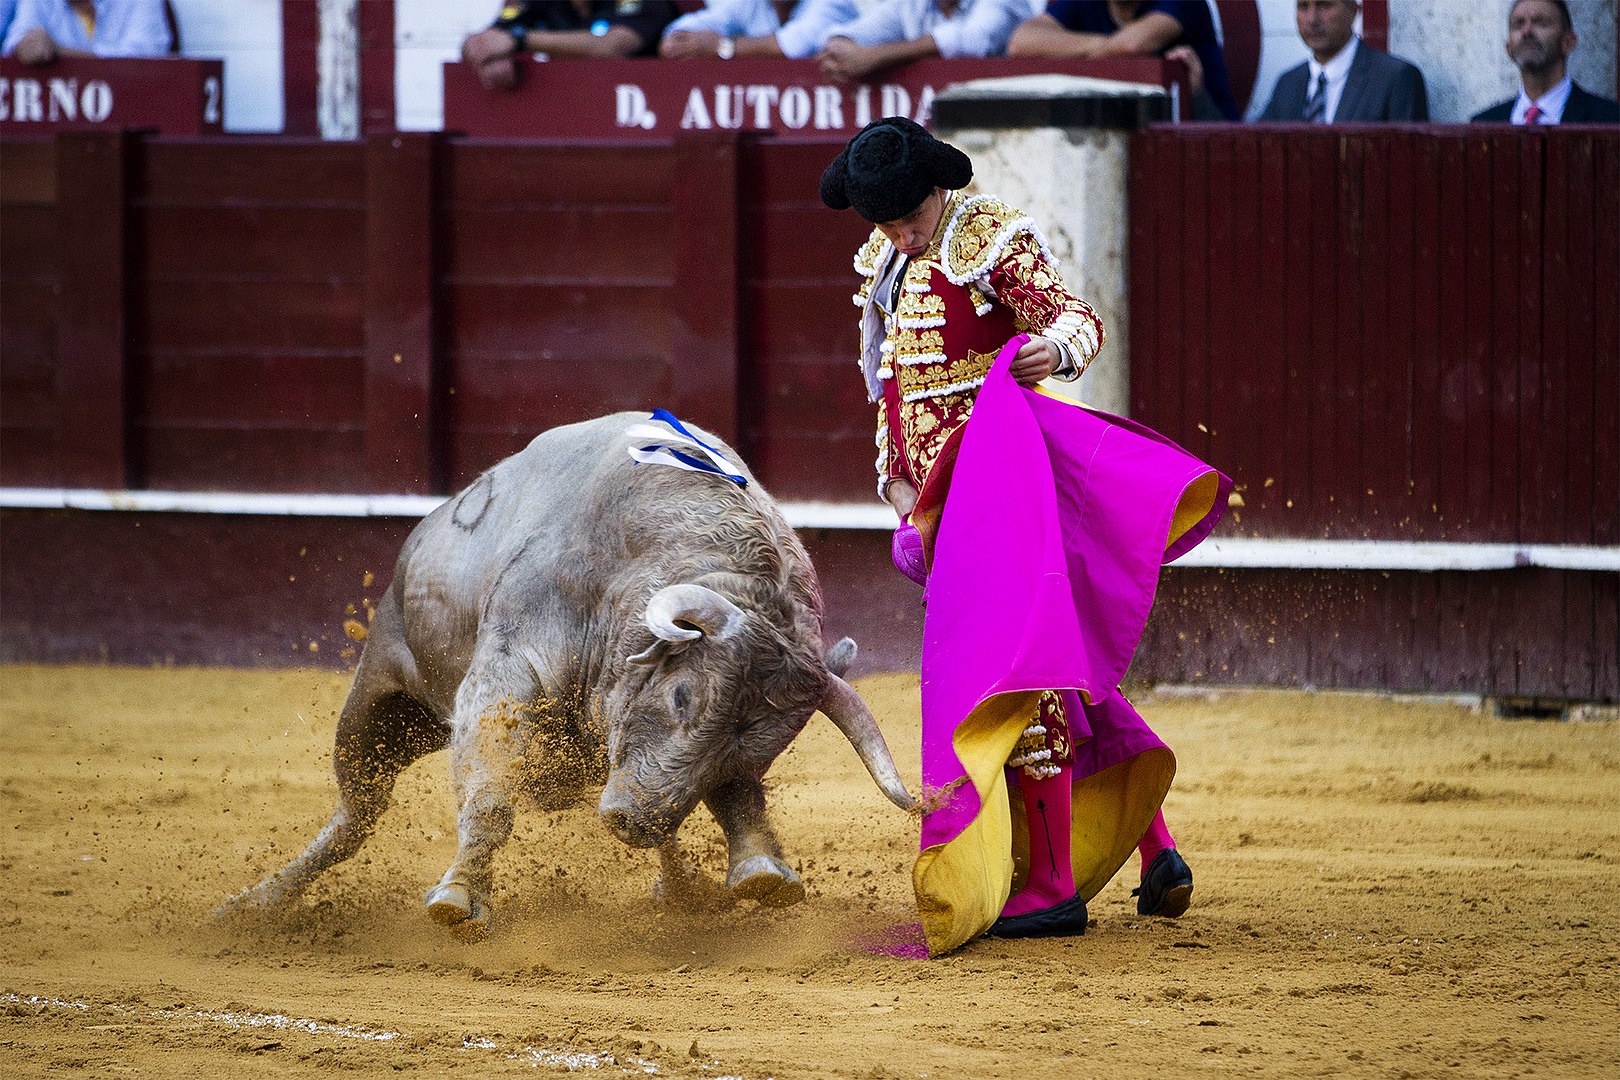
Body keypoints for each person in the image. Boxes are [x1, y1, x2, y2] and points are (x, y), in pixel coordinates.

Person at [820, 117, 1225, 955]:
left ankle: (1049, 886)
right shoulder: (886, 260)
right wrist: (900, 496)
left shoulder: (988, 235)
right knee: (1049, 659)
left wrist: (1049, 350)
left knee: (1016, 667)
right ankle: (1154, 844)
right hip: (945, 501)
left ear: (939, 189)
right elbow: (893, 392)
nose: (898, 234)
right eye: (884, 222)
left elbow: (1079, 319)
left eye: (908, 217)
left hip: (1009, 483)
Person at [1008, 1, 1240, 121]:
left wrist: (1071, 48)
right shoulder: (1084, 3)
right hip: (1124, 138)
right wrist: (1102, 47)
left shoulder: (1184, 2)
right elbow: (1021, 42)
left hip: (1212, 139)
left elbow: (1131, 46)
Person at [1258, 0, 1427, 122]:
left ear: (1353, 11)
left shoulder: (1396, 78)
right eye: (1303, 6)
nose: (1312, 19)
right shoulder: (1288, 83)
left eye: (1325, 5)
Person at [460, 0, 679, 92]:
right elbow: (487, 40)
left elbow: (613, 46)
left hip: (637, 118)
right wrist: (486, 55)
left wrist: (519, 41)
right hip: (565, 116)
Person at [1471, 0, 1618, 124]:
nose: (1527, 31)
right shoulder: (1483, 124)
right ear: (1508, 49)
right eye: (1518, 24)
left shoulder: (1610, 120)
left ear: (1568, 42)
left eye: (1540, 23)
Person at [816, 0, 1028, 85]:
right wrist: (839, 47)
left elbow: (974, 39)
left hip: (999, 127)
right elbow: (846, 33)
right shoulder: (913, 3)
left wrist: (874, 56)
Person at [659, 0, 859, 61]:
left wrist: (722, 47)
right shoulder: (753, 4)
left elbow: (796, 46)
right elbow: (674, 38)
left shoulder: (833, 2)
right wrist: (687, 43)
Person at [2, 0, 171, 63]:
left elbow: (144, 62)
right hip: (57, 128)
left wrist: (58, 52)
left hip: (131, 121)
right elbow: (18, 39)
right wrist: (26, 45)